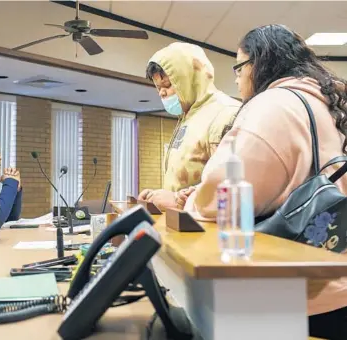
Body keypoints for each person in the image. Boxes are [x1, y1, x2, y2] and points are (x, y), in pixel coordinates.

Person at [183, 25, 347, 339]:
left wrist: (188, 201)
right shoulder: (327, 103)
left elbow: (224, 190)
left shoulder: (272, 106)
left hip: (301, 297)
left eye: (238, 66)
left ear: (257, 64)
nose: (236, 76)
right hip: (336, 278)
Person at [137, 42, 241, 211]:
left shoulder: (225, 113)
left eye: (168, 85)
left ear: (189, 79)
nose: (162, 93)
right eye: (158, 88)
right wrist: (159, 195)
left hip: (210, 231)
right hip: (185, 225)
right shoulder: (189, 116)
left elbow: (231, 191)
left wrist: (178, 201)